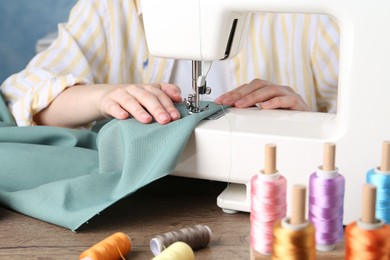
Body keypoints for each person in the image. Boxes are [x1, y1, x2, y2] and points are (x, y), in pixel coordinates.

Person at [0, 0, 339, 129]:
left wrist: (310, 121)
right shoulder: (111, 9)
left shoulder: (304, 16)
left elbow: (369, 120)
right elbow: (23, 96)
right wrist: (102, 97)